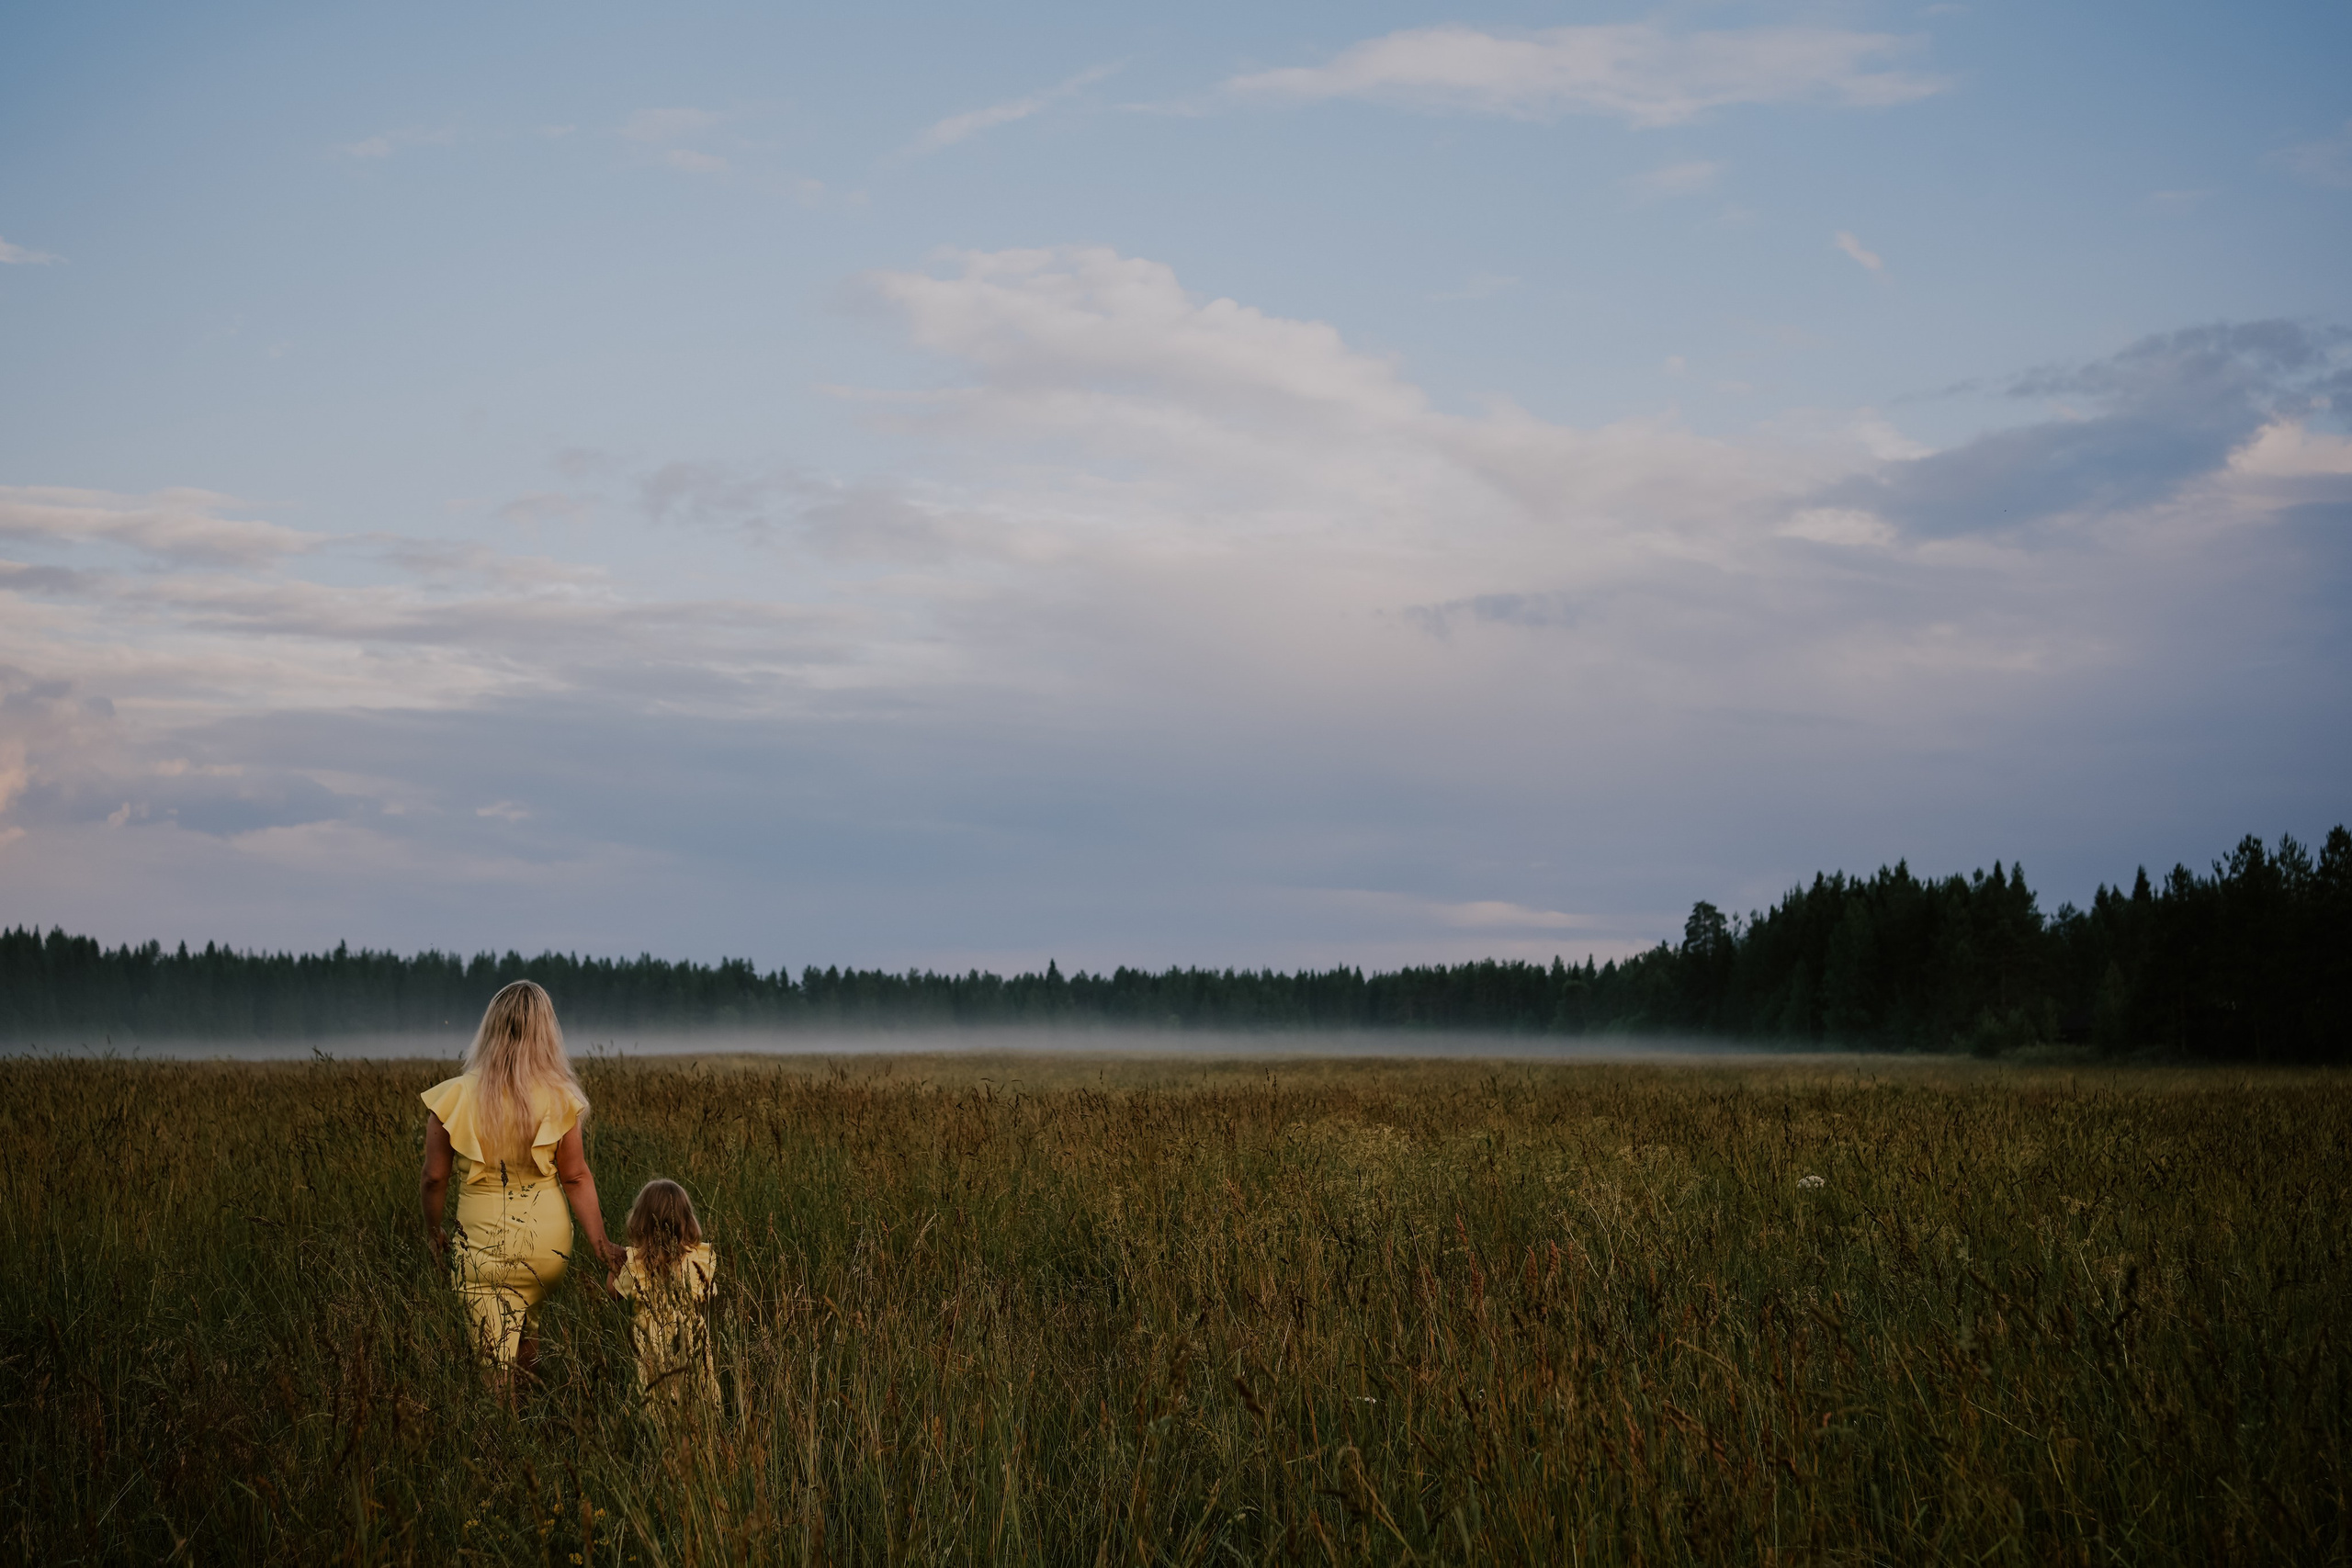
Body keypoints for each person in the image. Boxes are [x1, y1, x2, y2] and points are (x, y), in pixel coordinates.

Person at [417, 980, 625, 1392]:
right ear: (547, 1033)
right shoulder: (559, 1097)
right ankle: (535, 1422)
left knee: (494, 1370)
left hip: (481, 1252)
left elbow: (434, 1177)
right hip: (546, 1250)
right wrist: (601, 1245)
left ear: (490, 1029)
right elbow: (576, 1176)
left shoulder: (455, 1097)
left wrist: (433, 1232)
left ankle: (507, 1445)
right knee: (527, 1340)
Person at [610, 1179, 719, 1414]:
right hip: (690, 1335)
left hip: (650, 1339)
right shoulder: (696, 1258)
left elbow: (612, 1293)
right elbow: (707, 1293)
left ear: (640, 1221)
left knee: (655, 1395)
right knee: (695, 1389)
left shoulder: (634, 1262)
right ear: (687, 1220)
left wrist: (614, 1264)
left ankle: (660, 1435)